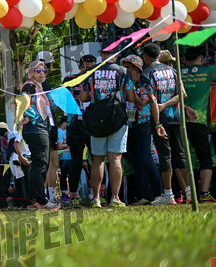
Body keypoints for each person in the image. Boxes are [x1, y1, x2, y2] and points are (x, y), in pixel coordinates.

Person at [79, 41, 139, 208]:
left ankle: (96, 199)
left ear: (101, 53)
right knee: (115, 158)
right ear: (117, 54)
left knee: (98, 159)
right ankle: (115, 198)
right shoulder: (123, 71)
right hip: (117, 119)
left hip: (97, 120)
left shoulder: (90, 71)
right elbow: (131, 97)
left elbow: (83, 97)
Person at [141, 42, 190, 205]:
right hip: (176, 117)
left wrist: (157, 123)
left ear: (145, 57)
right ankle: (189, 192)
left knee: (165, 155)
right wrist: (167, 104)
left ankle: (168, 194)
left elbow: (153, 100)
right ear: (159, 55)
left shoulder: (147, 73)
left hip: (160, 119)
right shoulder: (173, 70)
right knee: (180, 153)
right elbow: (182, 94)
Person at [19, 60, 61, 210]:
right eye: (38, 71)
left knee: (40, 164)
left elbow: (50, 106)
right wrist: (30, 116)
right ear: (31, 73)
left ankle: (35, 199)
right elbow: (23, 102)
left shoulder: (40, 88)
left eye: (44, 70)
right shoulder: (29, 86)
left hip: (41, 129)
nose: (42, 73)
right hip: (36, 129)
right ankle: (41, 200)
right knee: (41, 165)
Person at [122, 54, 163, 205]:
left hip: (143, 124)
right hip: (128, 125)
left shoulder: (145, 83)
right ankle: (145, 195)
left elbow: (140, 104)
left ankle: (159, 192)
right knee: (135, 160)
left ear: (137, 68)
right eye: (125, 67)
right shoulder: (123, 82)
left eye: (128, 67)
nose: (126, 70)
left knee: (146, 158)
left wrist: (132, 89)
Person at [179, 46, 215, 202]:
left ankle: (187, 193)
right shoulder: (209, 71)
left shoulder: (178, 72)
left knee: (182, 157)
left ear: (184, 59)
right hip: (198, 121)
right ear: (201, 58)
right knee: (205, 158)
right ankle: (204, 194)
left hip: (178, 120)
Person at [62, 54, 96, 207]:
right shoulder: (70, 79)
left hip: (93, 125)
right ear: (80, 66)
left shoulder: (97, 79)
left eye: (91, 67)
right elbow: (64, 99)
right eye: (86, 67)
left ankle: (97, 194)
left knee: (96, 160)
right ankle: (73, 195)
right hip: (75, 124)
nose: (88, 70)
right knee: (75, 162)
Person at [38, 50, 61, 205]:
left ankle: (44, 197)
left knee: (42, 163)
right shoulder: (45, 82)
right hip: (49, 124)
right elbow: (51, 105)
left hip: (37, 126)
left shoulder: (32, 81)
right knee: (52, 162)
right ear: (50, 64)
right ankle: (51, 197)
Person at [56, 117, 72, 205]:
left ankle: (72, 194)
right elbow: (60, 146)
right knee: (64, 175)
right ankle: (64, 194)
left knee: (71, 175)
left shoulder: (67, 131)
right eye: (67, 122)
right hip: (63, 157)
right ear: (64, 122)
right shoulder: (59, 131)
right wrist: (71, 143)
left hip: (71, 156)